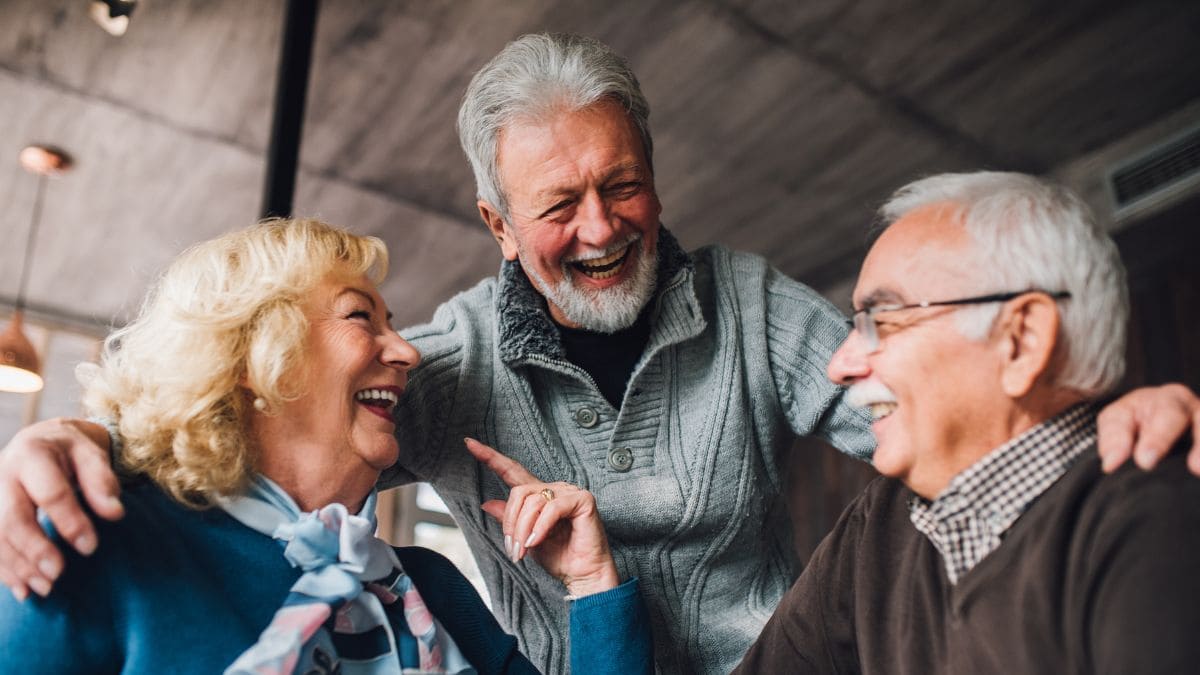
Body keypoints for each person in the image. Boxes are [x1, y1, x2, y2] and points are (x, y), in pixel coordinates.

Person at [2, 34, 1199, 674]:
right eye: (560, 202)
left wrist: (1105, 415)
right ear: (497, 227)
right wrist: (84, 439)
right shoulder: (446, 363)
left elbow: (944, 407)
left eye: (624, 186)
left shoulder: (755, 308)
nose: (601, 226)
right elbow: (279, 417)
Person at [0, 220, 652, 674]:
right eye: (360, 316)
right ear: (258, 357)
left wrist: (592, 582)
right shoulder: (95, 542)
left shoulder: (428, 586)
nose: (407, 351)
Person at [735, 172, 1200, 673]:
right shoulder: (878, 531)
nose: (838, 366)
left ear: (1021, 340)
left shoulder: (1157, 521)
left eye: (882, 320)